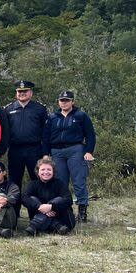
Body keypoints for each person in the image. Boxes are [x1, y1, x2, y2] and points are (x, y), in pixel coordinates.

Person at [42, 90, 96, 223]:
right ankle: (63, 209)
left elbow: (90, 135)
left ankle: (82, 211)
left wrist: (89, 151)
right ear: (58, 102)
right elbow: (45, 137)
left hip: (75, 150)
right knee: (60, 183)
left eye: (67, 100)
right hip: (57, 152)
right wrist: (45, 153)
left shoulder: (81, 115)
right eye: (62, 100)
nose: (64, 103)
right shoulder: (52, 117)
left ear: (72, 101)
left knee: (79, 181)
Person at [4, 81, 48, 196]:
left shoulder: (40, 109)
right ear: (16, 93)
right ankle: (15, 211)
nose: (22, 93)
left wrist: (45, 152)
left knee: (37, 178)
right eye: (19, 91)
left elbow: (46, 132)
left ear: (31, 93)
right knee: (14, 180)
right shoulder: (8, 109)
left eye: (25, 91)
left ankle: (38, 210)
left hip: (34, 149)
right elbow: (5, 131)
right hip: (15, 150)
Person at [22, 157, 75, 235]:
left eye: (49, 170)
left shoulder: (60, 183)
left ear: (53, 171)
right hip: (60, 226)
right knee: (32, 198)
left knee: (59, 199)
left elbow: (68, 200)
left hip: (63, 220)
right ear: (38, 172)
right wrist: (39, 207)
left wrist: (51, 207)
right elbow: (24, 198)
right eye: (43, 170)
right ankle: (57, 226)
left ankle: (33, 226)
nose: (46, 172)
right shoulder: (32, 184)